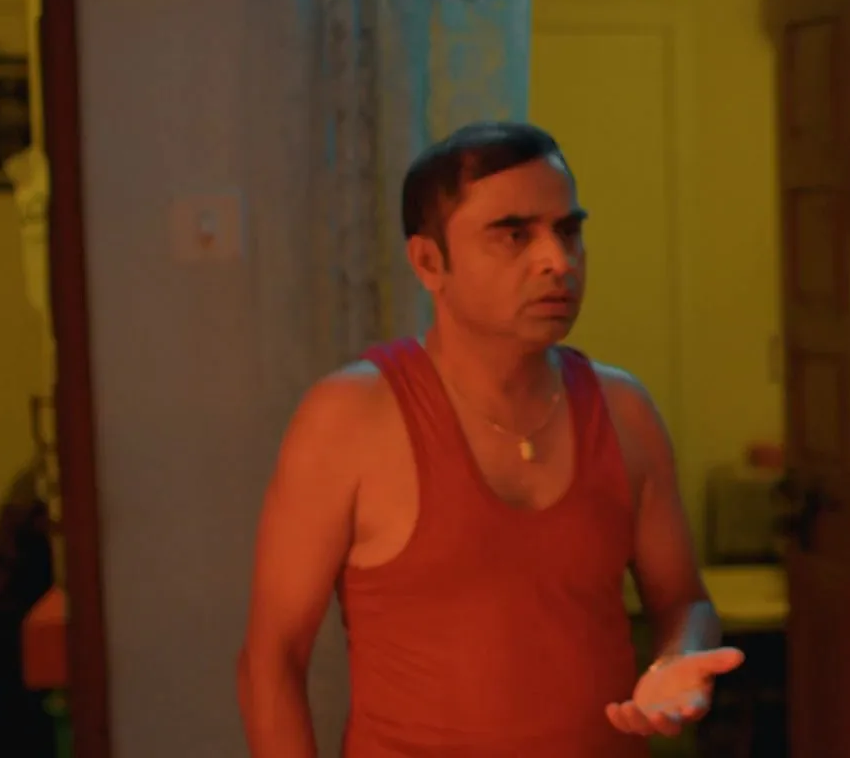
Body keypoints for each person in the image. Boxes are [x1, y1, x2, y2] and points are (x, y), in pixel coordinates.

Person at [237, 122, 742, 757]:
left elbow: (683, 602)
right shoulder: (350, 417)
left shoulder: (623, 410)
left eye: (568, 231)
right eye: (514, 235)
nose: (557, 260)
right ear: (429, 262)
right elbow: (271, 660)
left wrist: (678, 660)